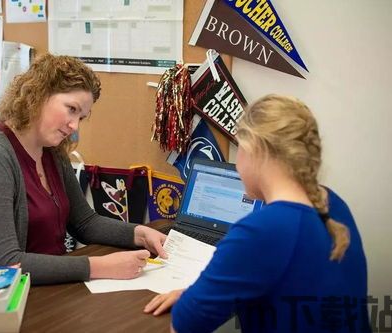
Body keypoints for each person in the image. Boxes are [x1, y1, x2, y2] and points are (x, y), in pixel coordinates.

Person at [144, 95, 370, 333]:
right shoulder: (334, 204)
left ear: (254, 151)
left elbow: (183, 325)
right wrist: (204, 294)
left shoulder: (261, 230)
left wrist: (196, 297)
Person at [0, 54, 167, 285]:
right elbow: (3, 263)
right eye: (71, 109)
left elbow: (84, 223)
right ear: (38, 95)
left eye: (81, 117)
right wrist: (101, 266)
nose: (74, 126)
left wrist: (140, 233)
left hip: (41, 289)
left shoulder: (52, 151)